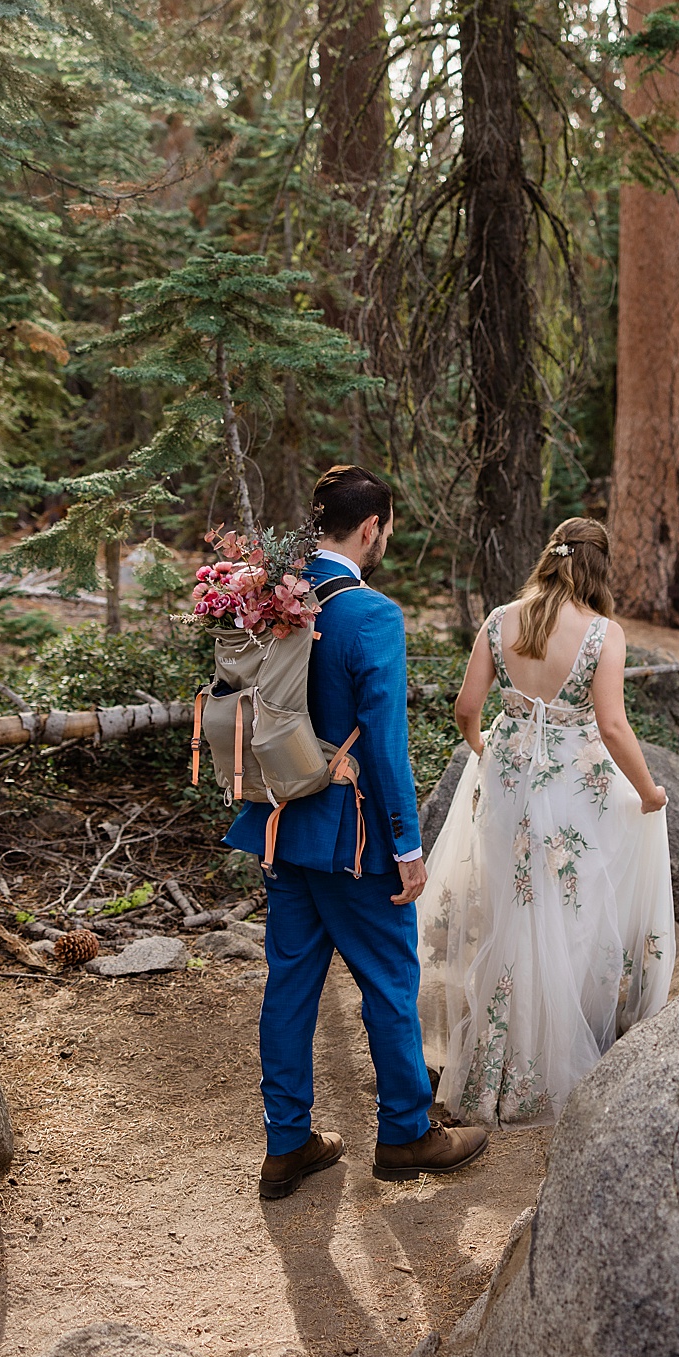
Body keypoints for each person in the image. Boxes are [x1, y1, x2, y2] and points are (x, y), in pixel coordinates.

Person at [239, 465, 489, 1200]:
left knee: (289, 986)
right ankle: (407, 1131)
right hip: (350, 840)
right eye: (387, 527)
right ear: (371, 527)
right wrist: (407, 846)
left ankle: (287, 1143)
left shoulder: (270, 603)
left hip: (281, 824)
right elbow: (383, 743)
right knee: (388, 978)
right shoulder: (370, 614)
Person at [416, 518, 673, 1125]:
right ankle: (547, 1065)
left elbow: (465, 708)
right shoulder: (603, 633)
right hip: (571, 792)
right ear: (597, 567)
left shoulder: (500, 619)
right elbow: (611, 724)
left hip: (508, 781)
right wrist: (649, 792)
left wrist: (486, 751)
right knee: (568, 919)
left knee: (513, 913)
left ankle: (500, 1062)